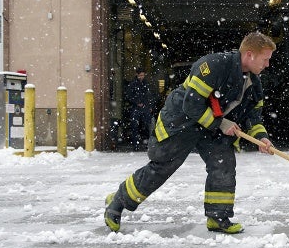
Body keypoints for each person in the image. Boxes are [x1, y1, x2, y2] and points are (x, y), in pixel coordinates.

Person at [104, 32, 276, 234]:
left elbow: (254, 117)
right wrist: (221, 124)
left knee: (223, 163)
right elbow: (192, 104)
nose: (267, 64)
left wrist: (261, 138)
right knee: (162, 168)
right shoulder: (214, 65)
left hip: (212, 127)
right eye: (265, 59)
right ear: (249, 55)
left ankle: (218, 217)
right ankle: (117, 202)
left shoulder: (254, 84)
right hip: (182, 122)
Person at [125, 68, 154, 150]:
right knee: (135, 127)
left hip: (145, 108)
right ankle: (136, 145)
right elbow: (129, 96)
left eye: (143, 75)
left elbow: (150, 96)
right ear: (137, 75)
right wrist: (137, 102)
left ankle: (146, 144)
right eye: (140, 75)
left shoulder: (146, 84)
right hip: (136, 108)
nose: (142, 77)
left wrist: (150, 106)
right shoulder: (133, 84)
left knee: (146, 126)